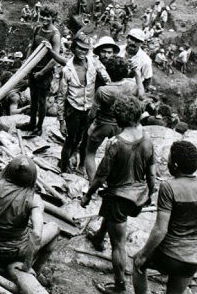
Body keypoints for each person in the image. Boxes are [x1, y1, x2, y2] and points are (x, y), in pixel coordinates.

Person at [82, 96, 155, 294]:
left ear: (118, 118)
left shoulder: (115, 143)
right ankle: (98, 238)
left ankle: (120, 286)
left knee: (118, 245)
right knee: (113, 216)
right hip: (138, 195)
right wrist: (151, 191)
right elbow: (152, 171)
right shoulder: (147, 138)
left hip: (120, 197)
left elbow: (100, 176)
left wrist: (88, 195)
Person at [133, 140, 197, 294]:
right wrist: (194, 242)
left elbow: (160, 230)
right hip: (194, 258)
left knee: (138, 263)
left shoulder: (168, 187)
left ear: (175, 165)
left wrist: (143, 254)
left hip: (169, 254)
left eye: (168, 159)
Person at [85, 56, 144, 183]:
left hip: (103, 123)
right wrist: (137, 75)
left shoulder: (103, 90)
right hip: (120, 125)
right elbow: (142, 96)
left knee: (90, 153)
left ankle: (93, 184)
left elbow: (92, 113)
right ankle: (116, 181)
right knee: (119, 155)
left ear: (109, 72)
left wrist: (89, 124)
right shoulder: (131, 86)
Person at [56, 32, 110, 174]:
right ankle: (64, 166)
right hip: (73, 109)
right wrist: (61, 121)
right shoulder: (67, 70)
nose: (83, 52)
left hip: (89, 109)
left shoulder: (93, 62)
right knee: (70, 139)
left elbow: (105, 76)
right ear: (73, 48)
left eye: (86, 49)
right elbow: (61, 96)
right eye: (80, 48)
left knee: (86, 138)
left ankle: (81, 165)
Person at [17, 6, 65, 136]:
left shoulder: (55, 35)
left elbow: (55, 59)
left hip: (45, 72)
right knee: (33, 97)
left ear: (53, 18)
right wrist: (26, 64)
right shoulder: (37, 29)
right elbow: (31, 47)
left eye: (48, 16)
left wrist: (42, 73)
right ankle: (31, 122)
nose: (44, 18)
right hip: (33, 69)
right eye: (43, 15)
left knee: (42, 101)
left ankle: (39, 126)